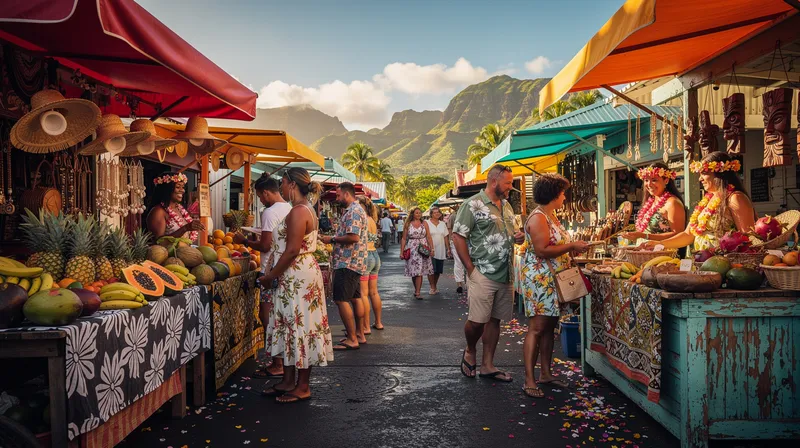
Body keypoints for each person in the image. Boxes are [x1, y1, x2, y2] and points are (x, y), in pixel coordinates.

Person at [258, 167, 333, 403]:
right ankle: (289, 380)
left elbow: (292, 250)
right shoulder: (300, 210)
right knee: (289, 324)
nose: (279, 187)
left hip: (297, 276)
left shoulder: (300, 212)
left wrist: (271, 276)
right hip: (293, 276)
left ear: (291, 184)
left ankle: (302, 386)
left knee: (300, 326)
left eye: (282, 183)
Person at [452, 164, 525, 382]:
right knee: (477, 321)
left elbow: (512, 232)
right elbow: (458, 236)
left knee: (495, 320)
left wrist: (518, 236)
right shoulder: (472, 204)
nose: (511, 187)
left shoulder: (507, 205)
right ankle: (470, 350)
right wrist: (470, 269)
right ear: (494, 182)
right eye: (508, 183)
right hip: (482, 271)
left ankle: (488, 365)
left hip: (505, 272)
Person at [520, 173, 589, 398]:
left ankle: (546, 374)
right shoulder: (539, 218)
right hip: (540, 279)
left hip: (551, 278)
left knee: (549, 327)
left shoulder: (551, 216)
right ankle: (530, 379)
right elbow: (541, 250)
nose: (565, 197)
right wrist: (571, 246)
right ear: (553, 195)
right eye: (562, 193)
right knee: (537, 328)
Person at [234, 177, 292, 378]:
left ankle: (277, 363)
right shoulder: (290, 208)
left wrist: (246, 241)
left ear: (266, 192)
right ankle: (284, 361)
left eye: (260, 196)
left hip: (269, 268)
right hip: (286, 268)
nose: (260, 200)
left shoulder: (269, 212)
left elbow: (266, 246)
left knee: (268, 315)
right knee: (282, 315)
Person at [641, 152, 756, 252]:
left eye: (704, 173)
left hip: (725, 264)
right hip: (702, 263)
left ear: (719, 173)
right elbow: (687, 235)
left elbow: (748, 237)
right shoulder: (707, 200)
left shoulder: (735, 198)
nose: (700, 178)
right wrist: (659, 244)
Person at [321, 182, 369, 350]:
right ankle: (359, 335)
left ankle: (352, 338)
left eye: (338, 195)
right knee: (356, 298)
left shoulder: (354, 212)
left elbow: (353, 237)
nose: (337, 198)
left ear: (347, 194)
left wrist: (331, 239)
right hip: (355, 262)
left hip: (347, 261)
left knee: (341, 300)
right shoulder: (356, 210)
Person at [620, 162, 686, 252]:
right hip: (643, 255)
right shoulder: (651, 201)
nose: (649, 184)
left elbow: (679, 235)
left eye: (654, 180)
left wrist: (644, 236)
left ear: (666, 180)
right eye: (646, 180)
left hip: (664, 257)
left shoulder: (672, 203)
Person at [146, 172, 205, 243]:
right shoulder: (158, 211)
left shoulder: (180, 209)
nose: (182, 190)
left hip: (185, 252)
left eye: (183, 187)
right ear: (167, 189)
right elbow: (159, 242)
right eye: (178, 187)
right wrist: (185, 228)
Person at [357, 196, 384, 332]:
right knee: (374, 292)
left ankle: (366, 327)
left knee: (363, 294)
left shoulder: (362, 220)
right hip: (375, 255)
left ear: (362, 206)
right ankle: (378, 322)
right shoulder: (373, 220)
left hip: (365, 256)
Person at [401, 207, 434, 299]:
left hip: (423, 248)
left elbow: (429, 236)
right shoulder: (408, 224)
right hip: (412, 248)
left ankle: (418, 292)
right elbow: (404, 238)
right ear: (412, 214)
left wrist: (432, 249)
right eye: (416, 213)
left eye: (420, 213)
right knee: (414, 271)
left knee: (419, 271)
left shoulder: (424, 223)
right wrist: (401, 251)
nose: (418, 214)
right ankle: (416, 290)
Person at [426, 206, 450, 295]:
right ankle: (432, 287)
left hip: (441, 249)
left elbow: (446, 237)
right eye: (435, 212)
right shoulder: (426, 223)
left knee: (438, 270)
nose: (437, 214)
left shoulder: (443, 224)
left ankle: (434, 286)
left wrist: (448, 248)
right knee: (431, 269)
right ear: (431, 214)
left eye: (438, 212)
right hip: (430, 249)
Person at [446, 205, 466, 294]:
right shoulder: (466, 214)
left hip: (455, 240)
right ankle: (467, 283)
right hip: (467, 240)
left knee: (458, 263)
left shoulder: (452, 216)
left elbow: (449, 229)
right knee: (468, 262)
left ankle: (459, 283)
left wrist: (450, 242)